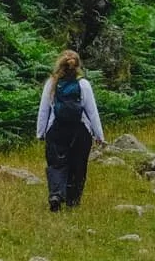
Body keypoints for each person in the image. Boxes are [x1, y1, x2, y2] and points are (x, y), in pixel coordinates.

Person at [36, 50, 104, 210]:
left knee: (56, 164)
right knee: (78, 165)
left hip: (56, 129)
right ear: (78, 65)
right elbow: (92, 112)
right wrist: (99, 135)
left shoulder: (52, 83)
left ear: (59, 64)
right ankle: (73, 201)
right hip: (80, 130)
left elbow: (44, 110)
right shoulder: (83, 84)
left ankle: (56, 194)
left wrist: (40, 132)